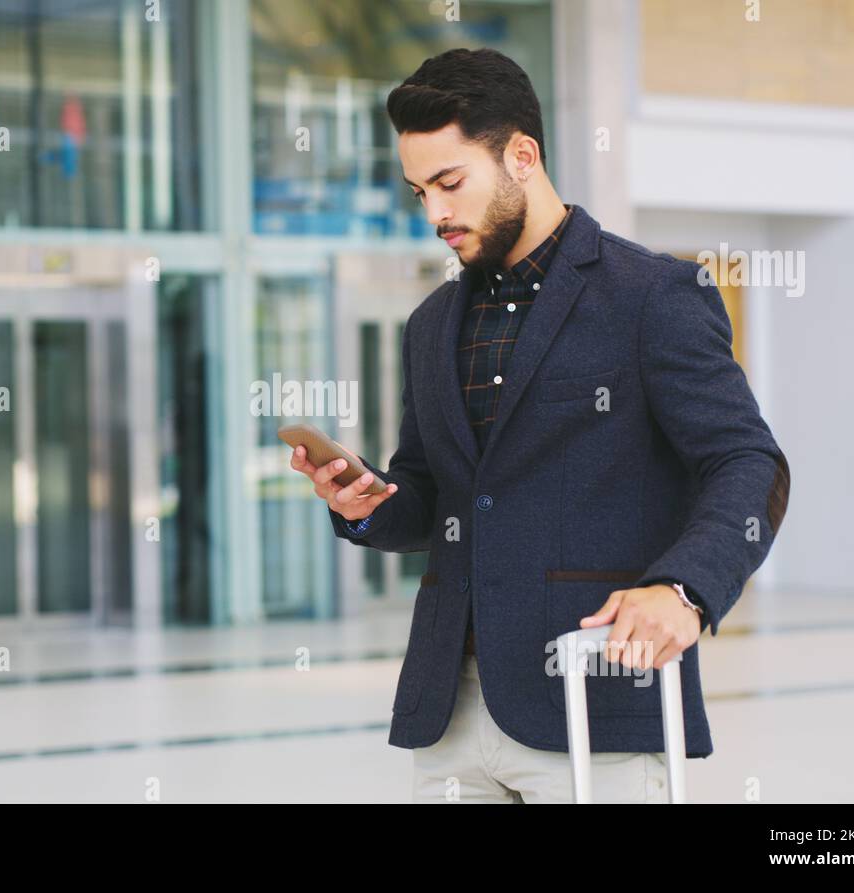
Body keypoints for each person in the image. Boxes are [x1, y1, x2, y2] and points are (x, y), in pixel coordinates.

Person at [288, 47, 790, 803]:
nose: (434, 214)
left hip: (595, 695)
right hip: (448, 714)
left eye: (450, 183)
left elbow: (748, 461)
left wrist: (684, 589)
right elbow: (434, 493)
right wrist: (369, 502)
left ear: (522, 156)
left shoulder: (653, 295)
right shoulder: (431, 324)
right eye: (419, 191)